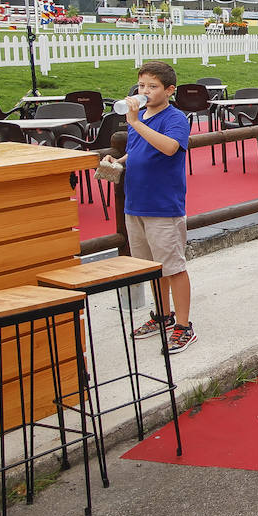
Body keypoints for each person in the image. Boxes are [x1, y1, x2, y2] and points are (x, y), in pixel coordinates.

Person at [112, 61, 196, 354]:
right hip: (136, 203)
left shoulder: (174, 118)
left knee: (173, 266)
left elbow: (170, 147)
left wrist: (135, 123)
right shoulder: (142, 116)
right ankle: (162, 315)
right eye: (142, 86)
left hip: (163, 205)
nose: (145, 91)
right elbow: (135, 150)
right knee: (152, 268)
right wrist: (117, 162)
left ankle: (184, 325)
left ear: (169, 90)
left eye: (153, 86)